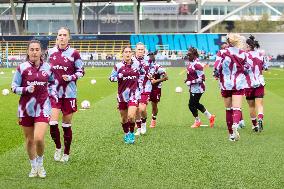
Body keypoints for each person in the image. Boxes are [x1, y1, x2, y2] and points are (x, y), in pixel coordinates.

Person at [11, 40, 57, 178]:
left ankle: (41, 164)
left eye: (37, 49)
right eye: (32, 49)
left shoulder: (48, 68)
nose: (34, 52)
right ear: (28, 51)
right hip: (26, 108)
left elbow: (53, 83)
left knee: (38, 138)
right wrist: (25, 89)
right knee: (30, 140)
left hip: (43, 107)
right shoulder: (22, 68)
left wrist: (53, 96)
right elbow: (13, 87)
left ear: (41, 52)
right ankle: (33, 167)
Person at [47, 27, 84, 162]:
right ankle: (58, 147)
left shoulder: (74, 53)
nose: (62, 37)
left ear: (69, 37)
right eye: (60, 35)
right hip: (54, 93)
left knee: (66, 125)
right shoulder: (50, 52)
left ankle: (66, 153)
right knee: (52, 123)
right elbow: (45, 70)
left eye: (64, 35)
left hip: (69, 94)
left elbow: (81, 71)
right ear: (57, 37)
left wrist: (71, 77)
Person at [214, 33, 249, 141]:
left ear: (228, 42)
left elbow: (216, 67)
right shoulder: (243, 53)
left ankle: (231, 135)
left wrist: (216, 75)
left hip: (225, 84)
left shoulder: (222, 53)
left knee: (228, 109)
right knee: (237, 108)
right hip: (238, 84)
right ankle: (235, 124)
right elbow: (247, 69)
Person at [109, 46, 144, 144]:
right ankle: (126, 133)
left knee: (131, 116)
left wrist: (140, 84)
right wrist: (118, 77)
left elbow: (142, 73)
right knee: (124, 119)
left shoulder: (137, 64)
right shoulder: (118, 66)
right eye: (126, 52)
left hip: (134, 94)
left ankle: (131, 133)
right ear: (123, 54)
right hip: (122, 96)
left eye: (129, 52)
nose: (128, 53)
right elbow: (111, 78)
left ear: (132, 54)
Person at [185, 47, 215, 128]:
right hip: (193, 88)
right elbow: (192, 75)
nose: (188, 56)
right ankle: (210, 117)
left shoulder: (198, 65)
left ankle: (197, 121)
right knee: (196, 104)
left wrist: (190, 82)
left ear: (194, 55)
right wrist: (187, 79)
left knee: (191, 105)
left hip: (198, 88)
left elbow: (202, 78)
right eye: (187, 55)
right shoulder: (191, 63)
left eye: (189, 55)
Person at [245, 35, 268, 132]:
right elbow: (265, 67)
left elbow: (243, 69)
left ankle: (254, 126)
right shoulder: (261, 55)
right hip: (259, 82)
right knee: (260, 105)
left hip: (248, 84)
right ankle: (260, 118)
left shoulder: (244, 55)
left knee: (251, 106)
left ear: (248, 46)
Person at [133, 43, 154, 136]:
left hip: (146, 87)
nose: (140, 51)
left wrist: (151, 74)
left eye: (142, 49)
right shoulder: (131, 60)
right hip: (134, 87)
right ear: (135, 50)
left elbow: (153, 68)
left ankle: (144, 124)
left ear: (144, 51)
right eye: (139, 49)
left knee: (142, 108)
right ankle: (138, 128)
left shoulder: (148, 59)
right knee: (136, 109)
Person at [148, 52, 168, 128]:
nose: (150, 58)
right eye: (149, 56)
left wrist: (156, 81)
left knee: (154, 106)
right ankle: (139, 121)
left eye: (151, 56)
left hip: (156, 88)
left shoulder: (158, 67)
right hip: (146, 87)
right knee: (141, 104)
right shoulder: (145, 66)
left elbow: (166, 77)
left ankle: (153, 119)